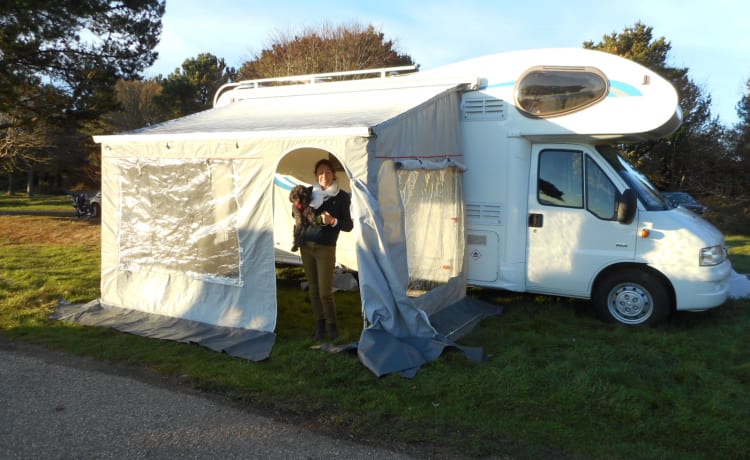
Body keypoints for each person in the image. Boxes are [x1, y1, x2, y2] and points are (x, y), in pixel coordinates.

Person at [300, 158, 353, 341]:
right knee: (313, 290)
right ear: (316, 175)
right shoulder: (308, 193)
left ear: (334, 174)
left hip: (325, 248)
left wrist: (333, 221)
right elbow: (296, 212)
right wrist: (297, 209)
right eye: (320, 172)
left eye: (328, 172)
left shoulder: (342, 197)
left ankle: (332, 328)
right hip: (306, 246)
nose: (324, 176)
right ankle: (319, 327)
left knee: (325, 292)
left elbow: (348, 225)